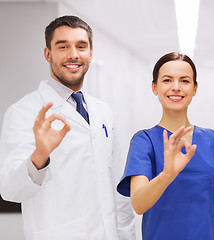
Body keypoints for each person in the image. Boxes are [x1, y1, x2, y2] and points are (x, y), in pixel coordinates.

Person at [0, 15, 135, 240]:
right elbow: (10, 190)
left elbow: (117, 189)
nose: (73, 54)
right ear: (48, 54)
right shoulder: (23, 111)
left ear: (91, 53)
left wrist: (127, 236)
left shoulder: (103, 112)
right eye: (63, 47)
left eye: (81, 46)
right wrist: (40, 156)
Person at [117, 52, 214, 239]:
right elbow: (138, 204)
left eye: (185, 81)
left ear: (195, 88)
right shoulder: (143, 141)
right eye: (167, 80)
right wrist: (167, 175)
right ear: (154, 87)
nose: (176, 87)